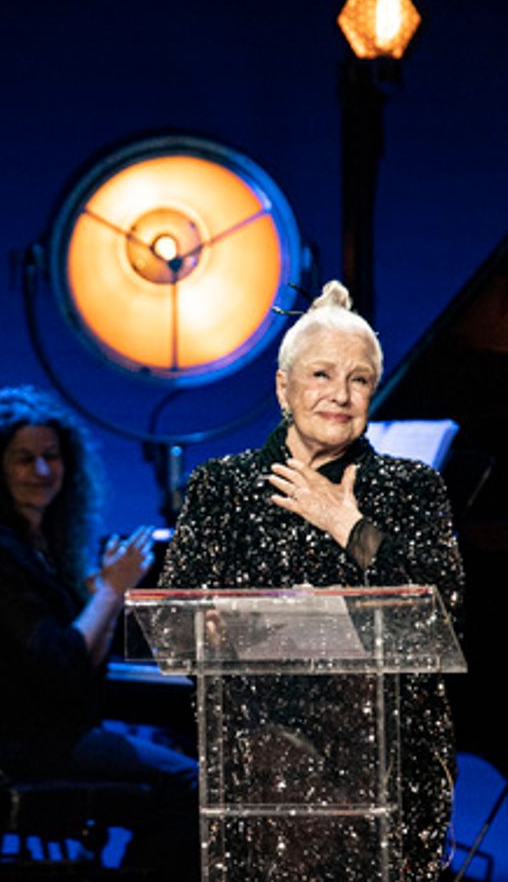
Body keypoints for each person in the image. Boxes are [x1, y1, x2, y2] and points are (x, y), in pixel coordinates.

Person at [161, 281, 464, 881]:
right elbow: (174, 621)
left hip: (388, 762)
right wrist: (216, 630)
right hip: (259, 761)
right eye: (321, 375)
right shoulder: (221, 488)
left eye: (359, 379)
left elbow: (440, 612)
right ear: (283, 387)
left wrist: (347, 525)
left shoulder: (411, 488)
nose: (340, 395)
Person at [0, 385, 199, 879]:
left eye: (51, 456)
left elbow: (80, 670)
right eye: (25, 459)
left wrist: (110, 597)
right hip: (5, 739)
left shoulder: (41, 551)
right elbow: (57, 664)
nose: (41, 470)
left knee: (183, 783)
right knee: (190, 785)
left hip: (46, 731)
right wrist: (110, 592)